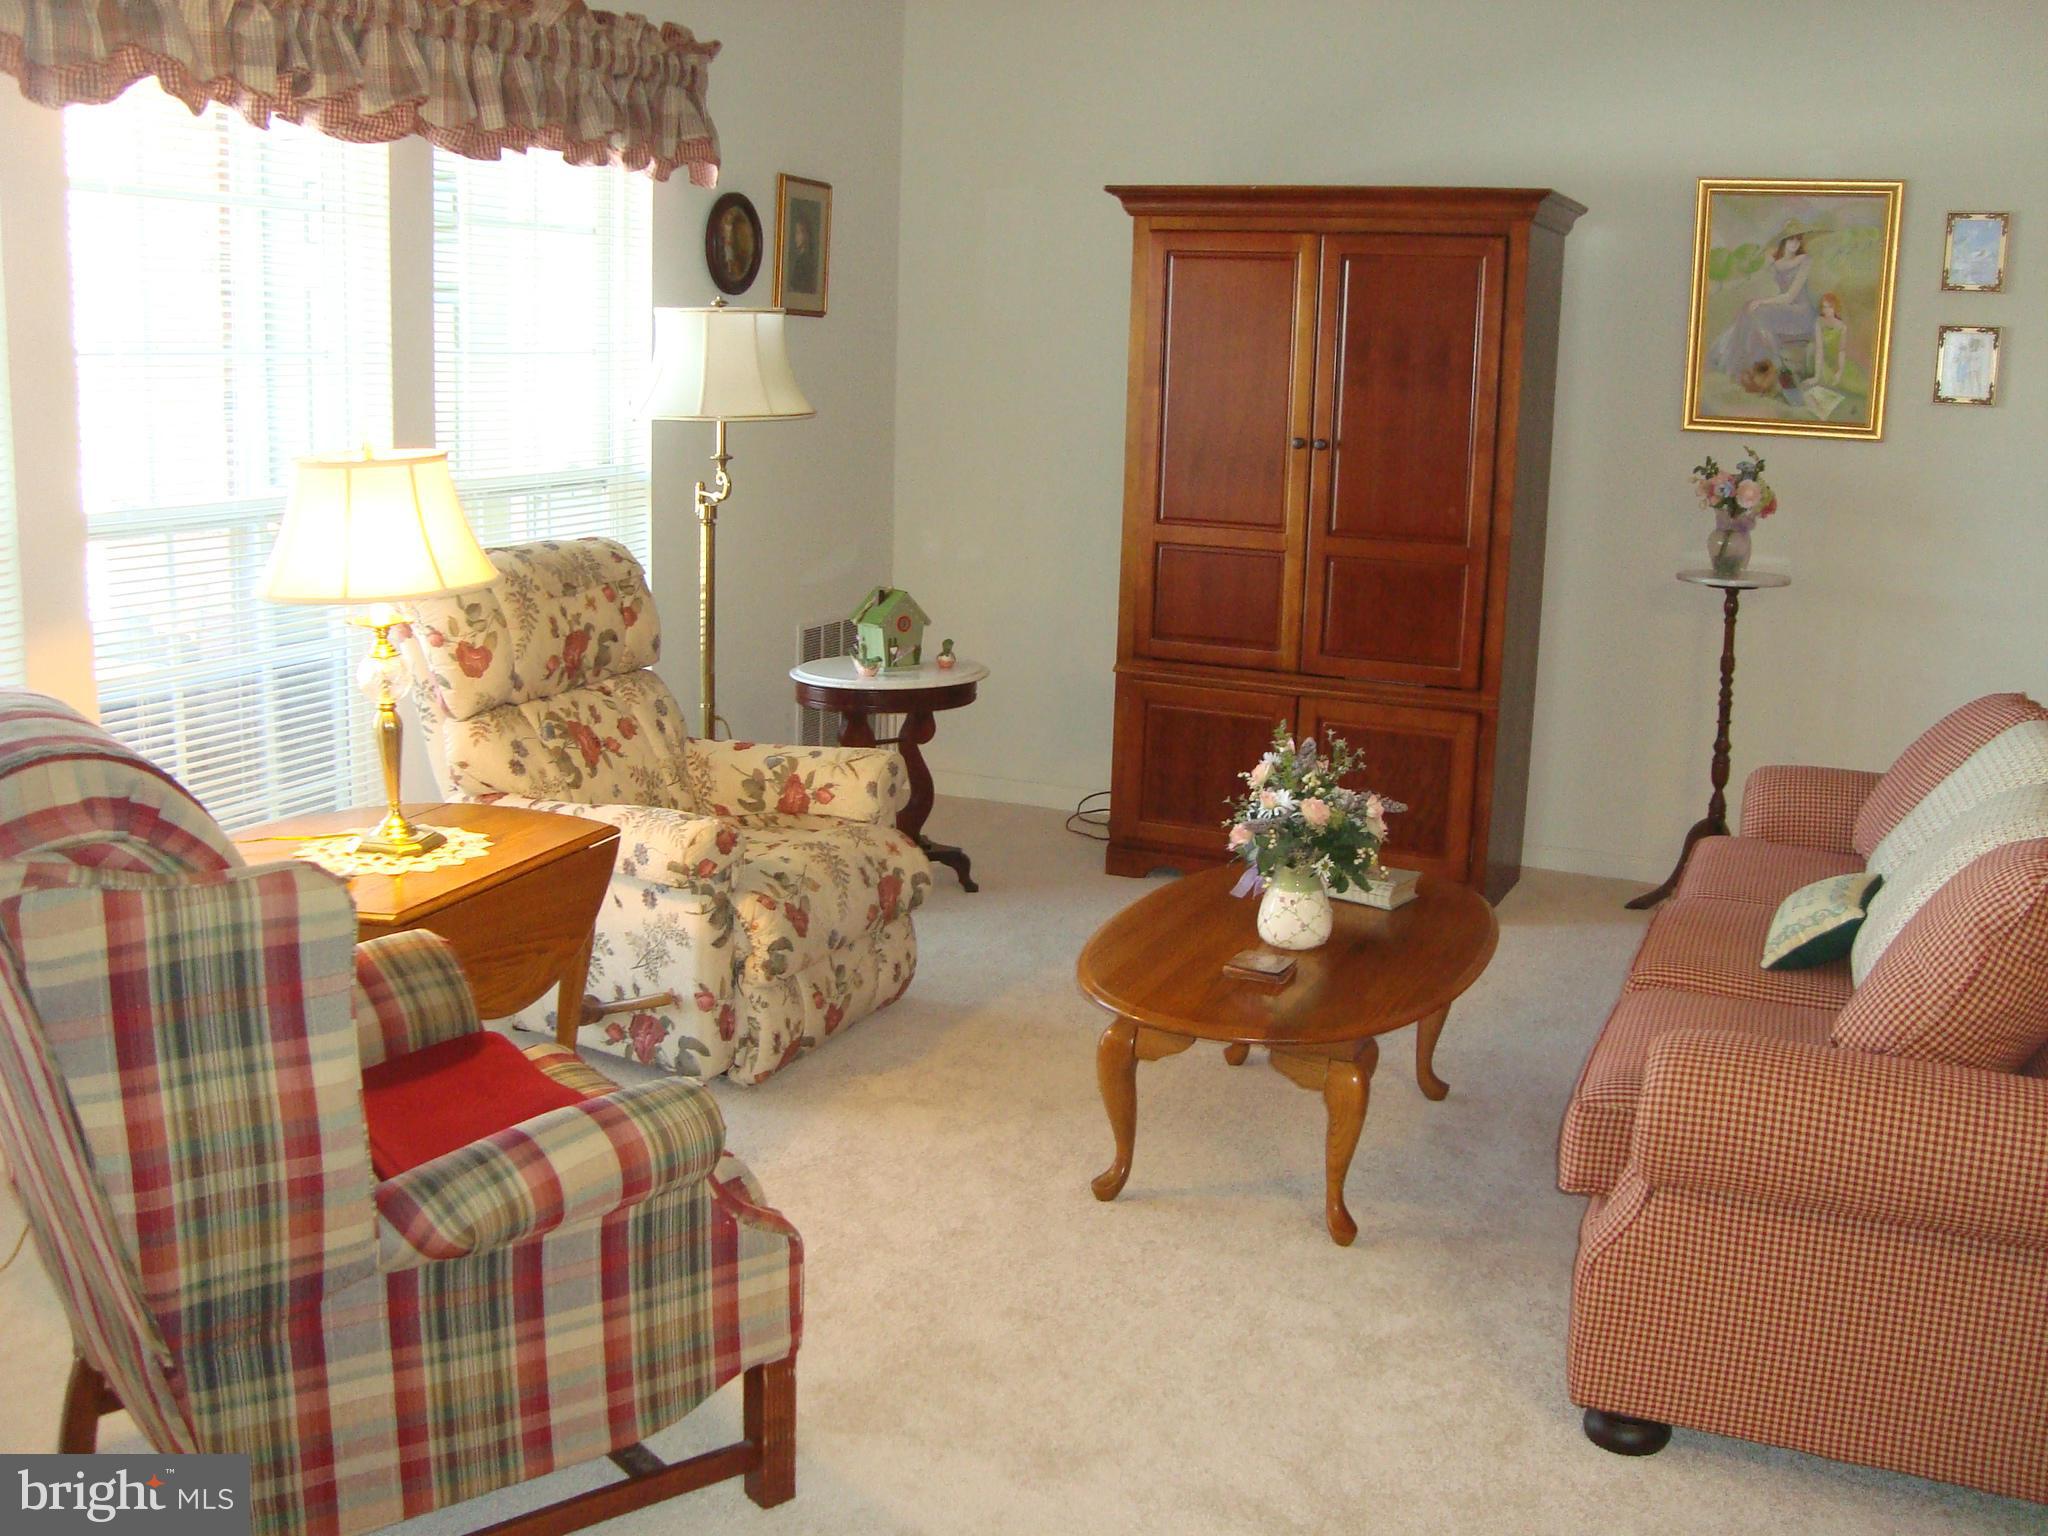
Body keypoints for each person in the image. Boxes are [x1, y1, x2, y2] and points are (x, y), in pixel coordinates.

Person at [1706, 226, 1819, 390]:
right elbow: (1751, 277)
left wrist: (1762, 301)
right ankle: (1754, 370)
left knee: (1757, 311)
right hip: (1784, 311)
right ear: (1783, 242)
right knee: (1750, 311)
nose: (1795, 243)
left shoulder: (1805, 260)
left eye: (1797, 239)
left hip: (1800, 313)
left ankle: (1774, 367)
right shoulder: (1776, 264)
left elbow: (1790, 296)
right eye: (1791, 239)